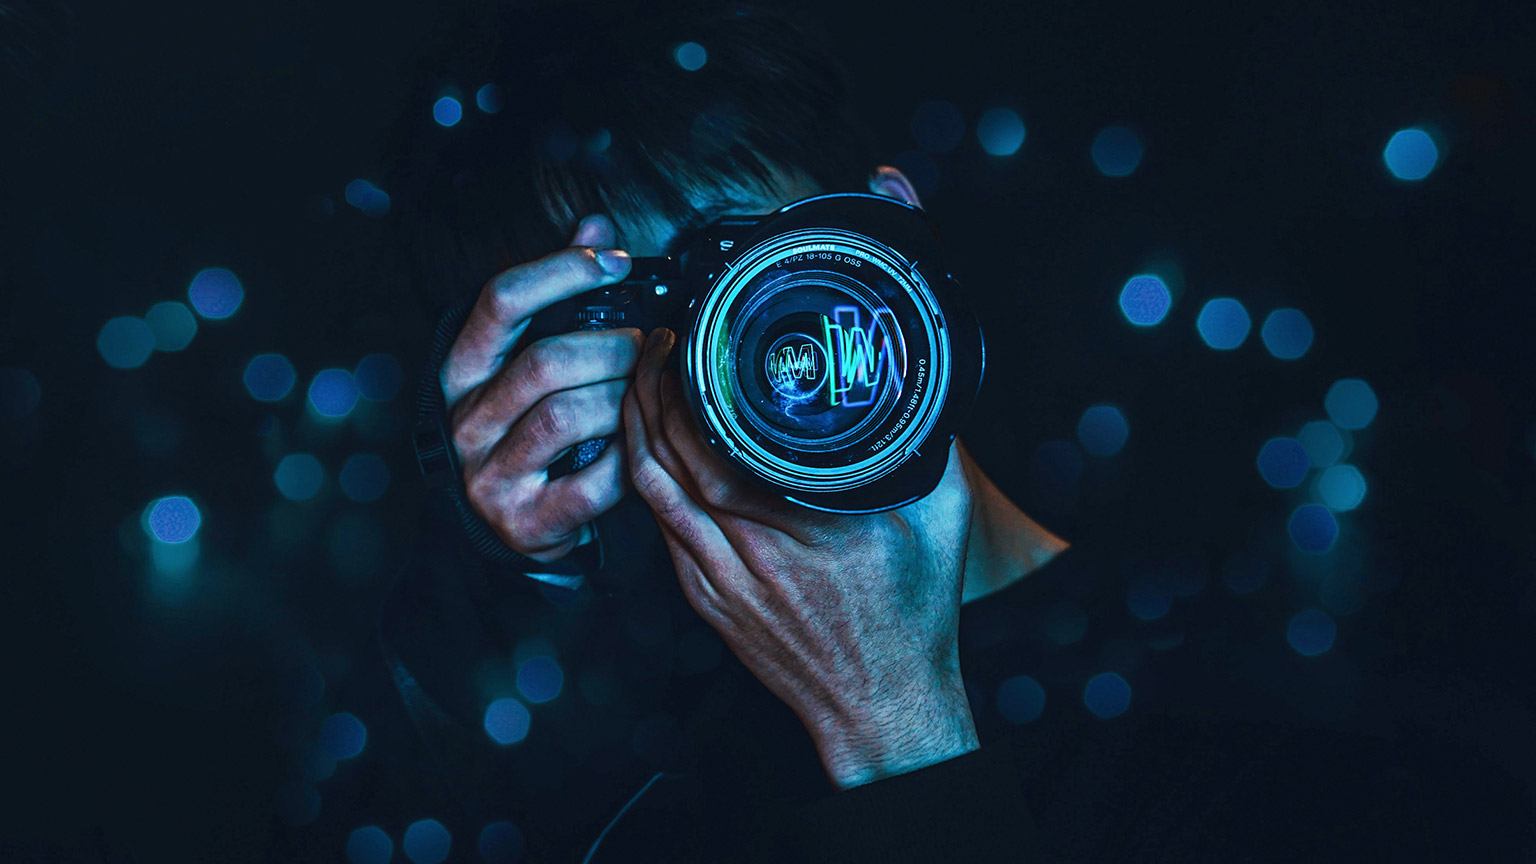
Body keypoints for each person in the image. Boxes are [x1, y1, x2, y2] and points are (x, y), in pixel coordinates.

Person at [371, 3, 1527, 861]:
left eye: (752, 269)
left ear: (893, 229)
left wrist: (894, 731)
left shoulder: (1290, 697)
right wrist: (502, 585)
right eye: (629, 314)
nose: (738, 355)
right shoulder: (640, 796)